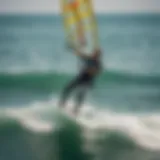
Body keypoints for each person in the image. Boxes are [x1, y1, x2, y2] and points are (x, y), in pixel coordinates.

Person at [58, 46, 102, 115]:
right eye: (94, 53)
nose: (94, 54)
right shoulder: (88, 58)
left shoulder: (98, 64)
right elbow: (80, 54)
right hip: (80, 77)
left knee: (80, 96)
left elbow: (97, 72)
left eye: (96, 54)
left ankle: (75, 111)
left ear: (98, 55)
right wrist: (72, 48)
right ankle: (62, 104)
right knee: (67, 88)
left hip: (87, 81)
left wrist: (90, 69)